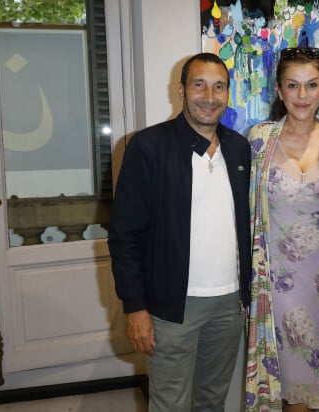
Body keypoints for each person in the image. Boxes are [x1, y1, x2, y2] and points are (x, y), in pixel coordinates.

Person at [107, 52, 251, 412]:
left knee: (211, 402)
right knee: (169, 404)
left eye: (219, 87)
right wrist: (134, 308)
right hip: (172, 307)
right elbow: (125, 234)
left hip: (229, 305)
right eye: (199, 84)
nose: (209, 96)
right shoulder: (148, 147)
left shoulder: (239, 148)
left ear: (228, 94)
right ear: (181, 90)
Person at [245, 47, 319, 411]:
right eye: (293, 86)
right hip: (278, 290)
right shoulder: (259, 140)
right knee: (293, 396)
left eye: (311, 85)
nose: (303, 95)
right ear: (278, 90)